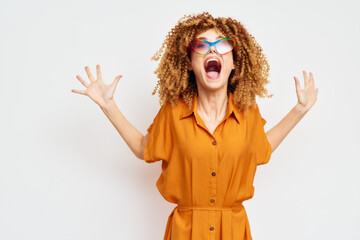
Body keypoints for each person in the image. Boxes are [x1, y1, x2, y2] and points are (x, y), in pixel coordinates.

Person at [71, 12, 318, 240]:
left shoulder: (248, 112)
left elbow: (261, 147)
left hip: (233, 231)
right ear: (189, 63)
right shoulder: (173, 112)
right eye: (201, 46)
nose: (212, 50)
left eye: (222, 44)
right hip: (184, 232)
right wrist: (108, 105)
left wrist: (300, 110)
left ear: (234, 63)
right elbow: (143, 148)